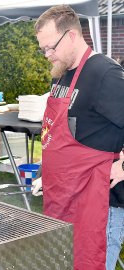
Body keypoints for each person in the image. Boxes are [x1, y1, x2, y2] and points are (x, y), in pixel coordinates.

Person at [31, 5, 124, 269]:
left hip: (98, 206)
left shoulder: (104, 74)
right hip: (64, 199)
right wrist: (45, 172)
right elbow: (56, 135)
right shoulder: (61, 74)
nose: (47, 55)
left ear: (72, 36)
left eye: (51, 47)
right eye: (43, 49)